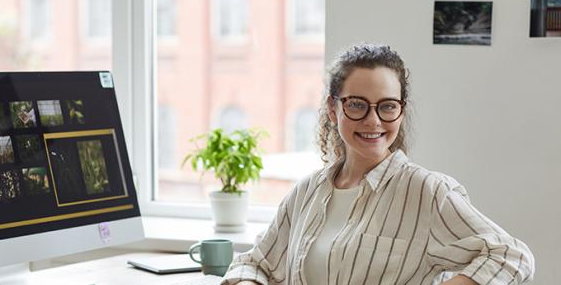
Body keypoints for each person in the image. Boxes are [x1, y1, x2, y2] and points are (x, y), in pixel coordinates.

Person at [221, 44, 534, 285]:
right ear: (333, 108)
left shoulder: (427, 192)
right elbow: (253, 263)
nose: (373, 121)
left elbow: (512, 256)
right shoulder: (307, 192)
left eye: (387, 106)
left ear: (401, 110)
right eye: (357, 104)